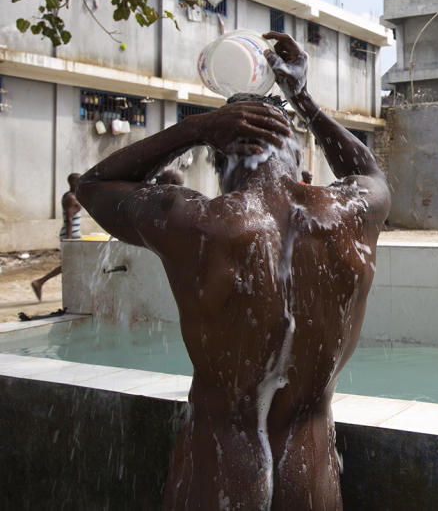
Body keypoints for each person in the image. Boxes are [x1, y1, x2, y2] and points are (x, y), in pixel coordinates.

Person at [76, 31, 390, 510]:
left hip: (218, 474)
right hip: (311, 480)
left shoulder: (198, 224)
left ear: (221, 163)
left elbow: (95, 186)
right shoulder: (349, 217)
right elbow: (370, 171)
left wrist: (195, 127)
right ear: (300, 159)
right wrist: (301, 98)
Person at [31, 173, 83, 300]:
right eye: (79, 181)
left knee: (73, 263)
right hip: (71, 235)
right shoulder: (70, 198)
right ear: (73, 183)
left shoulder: (73, 196)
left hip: (73, 234)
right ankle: (40, 282)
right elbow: (69, 219)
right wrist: (68, 239)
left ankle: (41, 282)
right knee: (69, 263)